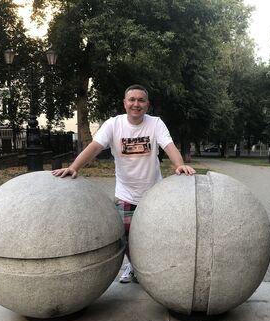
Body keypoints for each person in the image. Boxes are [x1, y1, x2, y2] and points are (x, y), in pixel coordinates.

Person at [52, 84, 196, 283]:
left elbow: (168, 145)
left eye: (141, 100)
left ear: (147, 104)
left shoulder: (155, 123)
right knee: (126, 237)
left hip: (153, 193)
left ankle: (151, 269)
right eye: (132, 100)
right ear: (124, 103)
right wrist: (74, 167)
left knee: (154, 235)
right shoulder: (113, 125)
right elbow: (94, 147)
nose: (136, 104)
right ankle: (134, 266)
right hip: (126, 194)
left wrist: (179, 165)